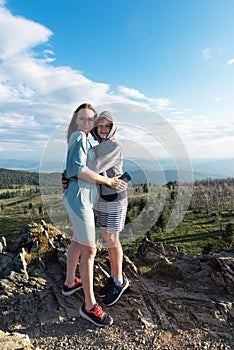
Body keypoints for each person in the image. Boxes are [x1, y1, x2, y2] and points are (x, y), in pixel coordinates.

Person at [62, 103, 126, 327]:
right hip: (81, 198)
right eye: (84, 119)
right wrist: (108, 181)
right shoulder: (80, 136)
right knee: (90, 250)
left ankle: (70, 283)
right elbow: (80, 169)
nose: (89, 123)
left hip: (84, 197)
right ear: (76, 120)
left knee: (79, 242)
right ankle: (89, 306)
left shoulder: (88, 140)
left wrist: (67, 176)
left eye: (92, 119)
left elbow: (76, 166)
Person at [89, 111, 129, 306]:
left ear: (113, 126)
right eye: (100, 126)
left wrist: (76, 169)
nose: (103, 129)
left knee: (112, 238)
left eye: (107, 125)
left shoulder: (114, 145)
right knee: (107, 237)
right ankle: (114, 277)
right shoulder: (100, 145)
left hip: (116, 197)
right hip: (104, 196)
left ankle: (119, 281)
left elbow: (95, 166)